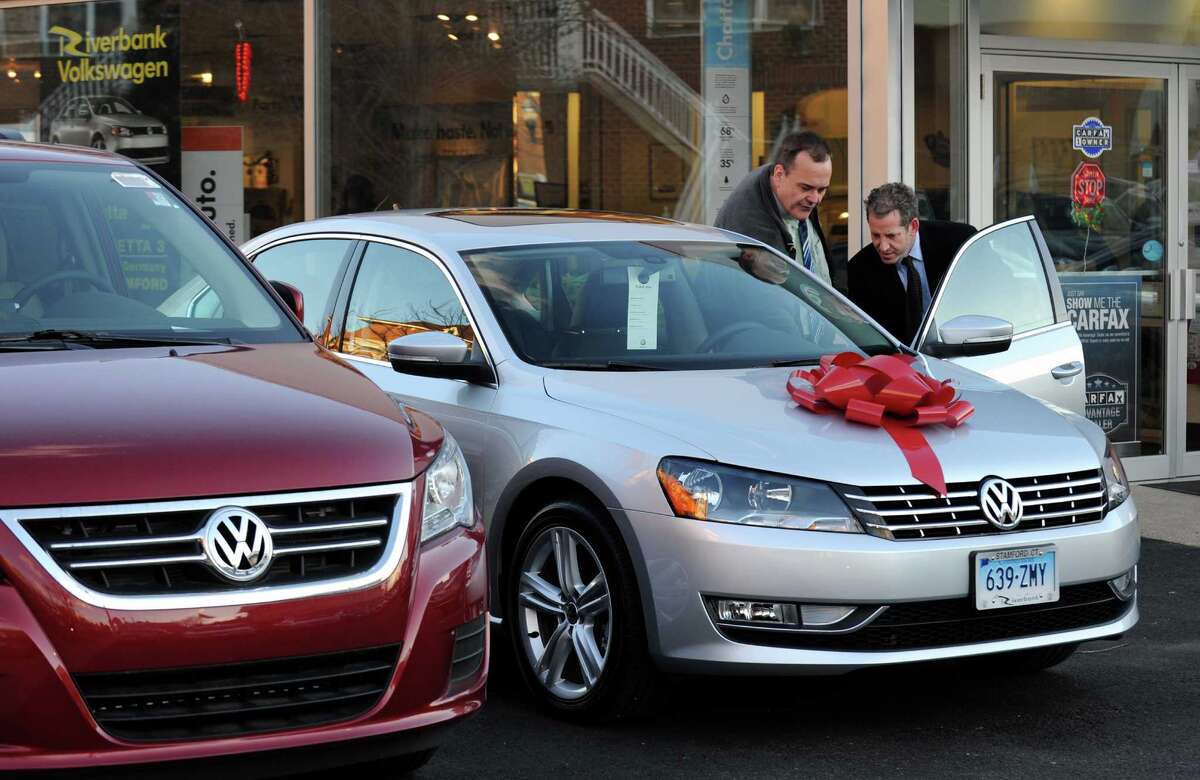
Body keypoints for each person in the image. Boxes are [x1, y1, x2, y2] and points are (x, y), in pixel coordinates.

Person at [848, 182, 975, 344]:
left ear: (913, 226)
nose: (883, 246)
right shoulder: (860, 269)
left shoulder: (959, 242)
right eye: (876, 236)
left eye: (891, 236)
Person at [714, 131, 839, 290]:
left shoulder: (792, 194)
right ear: (779, 175)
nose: (815, 199)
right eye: (806, 188)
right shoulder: (752, 226)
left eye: (822, 190)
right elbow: (772, 302)